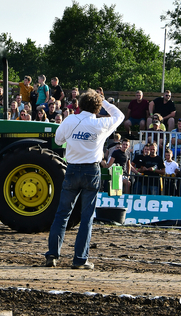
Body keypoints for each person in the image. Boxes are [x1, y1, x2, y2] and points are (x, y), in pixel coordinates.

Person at [45, 89, 124, 270]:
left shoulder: (71, 119)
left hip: (72, 169)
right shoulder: (101, 124)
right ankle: (80, 259)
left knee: (62, 214)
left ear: (79, 104)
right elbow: (119, 115)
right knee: (87, 217)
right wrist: (103, 101)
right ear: (97, 107)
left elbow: (58, 141)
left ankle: (52, 255)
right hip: (91, 170)